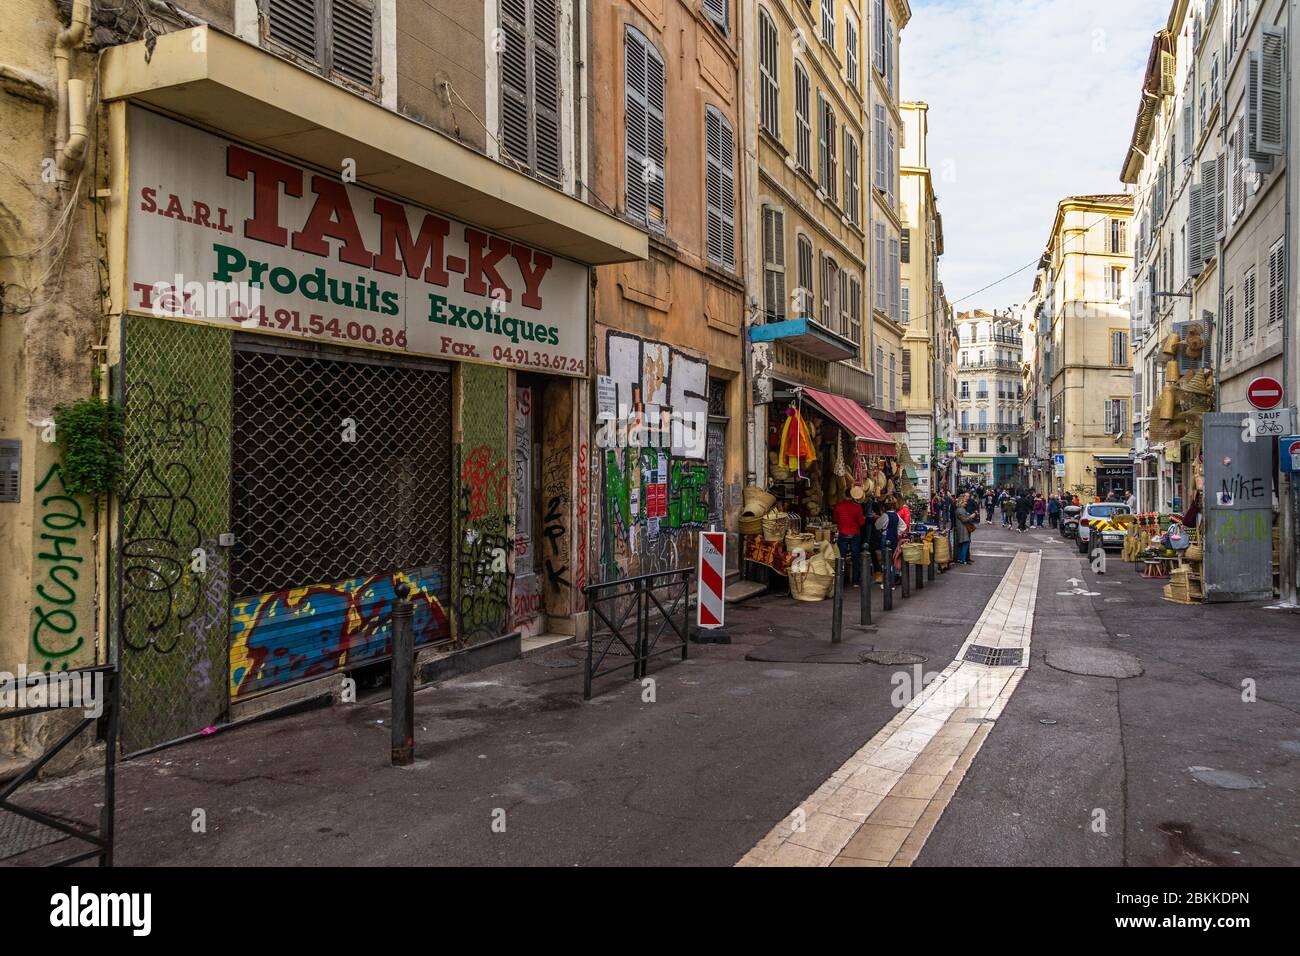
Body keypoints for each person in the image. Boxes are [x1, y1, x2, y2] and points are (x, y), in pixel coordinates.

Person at [832, 489, 867, 586]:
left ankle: (841, 581)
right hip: (855, 534)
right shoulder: (857, 507)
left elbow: (835, 520)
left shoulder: (838, 506)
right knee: (855, 558)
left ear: (844, 495)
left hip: (843, 534)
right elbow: (861, 523)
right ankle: (855, 581)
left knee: (841, 557)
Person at [953, 493, 975, 564]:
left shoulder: (959, 509)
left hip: (961, 528)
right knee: (965, 543)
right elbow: (964, 520)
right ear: (961, 502)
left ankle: (960, 558)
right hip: (963, 529)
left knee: (961, 544)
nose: (966, 503)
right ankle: (963, 559)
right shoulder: (961, 510)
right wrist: (971, 516)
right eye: (964, 501)